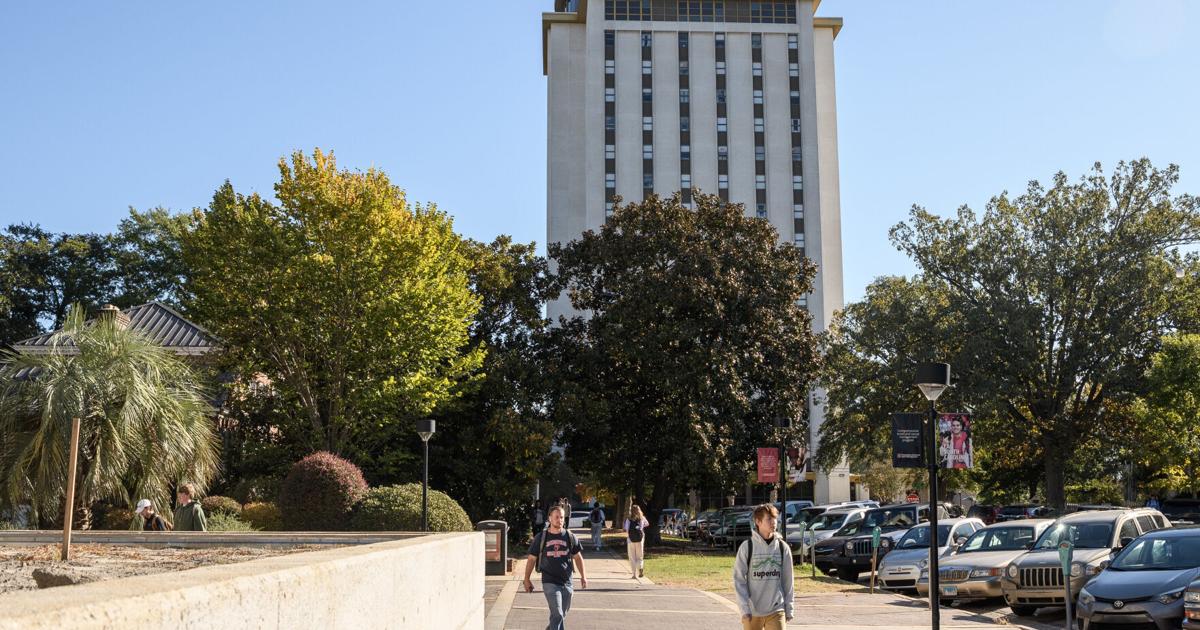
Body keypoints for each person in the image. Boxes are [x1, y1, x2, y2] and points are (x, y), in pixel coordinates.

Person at [523, 505, 588, 630]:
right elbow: (531, 559)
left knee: (560, 615)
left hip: (567, 582)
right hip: (549, 581)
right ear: (549, 519)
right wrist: (526, 579)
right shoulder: (541, 538)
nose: (560, 520)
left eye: (562, 517)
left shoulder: (570, 536)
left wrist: (583, 576)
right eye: (557, 517)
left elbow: (578, 558)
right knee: (557, 614)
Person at [733, 503, 794, 630]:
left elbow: (788, 580)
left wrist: (789, 607)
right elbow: (739, 580)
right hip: (752, 611)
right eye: (769, 519)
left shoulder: (783, 548)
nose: (774, 522)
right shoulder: (747, 547)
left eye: (775, 518)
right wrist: (744, 609)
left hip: (777, 609)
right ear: (758, 521)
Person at [625, 504, 649, 578]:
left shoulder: (628, 519)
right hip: (640, 539)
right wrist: (641, 527)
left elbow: (626, 528)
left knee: (632, 557)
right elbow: (647, 524)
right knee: (640, 556)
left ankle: (634, 574)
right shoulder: (642, 518)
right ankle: (640, 567)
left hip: (630, 540)